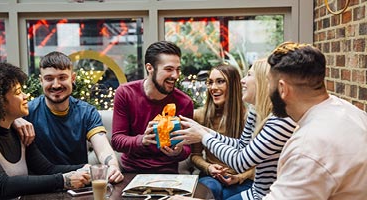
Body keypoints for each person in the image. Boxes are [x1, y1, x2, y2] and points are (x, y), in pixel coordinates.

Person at [171, 58, 297, 200]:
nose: (243, 80)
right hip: (255, 192)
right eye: (210, 82)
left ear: (263, 81)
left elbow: (241, 161)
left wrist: (203, 136)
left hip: (265, 195)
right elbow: (241, 145)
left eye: (249, 75)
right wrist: (203, 131)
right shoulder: (256, 113)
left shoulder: (279, 121)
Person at [0, 62, 90, 199]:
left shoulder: (19, 132)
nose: (25, 96)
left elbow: (47, 169)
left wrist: (88, 168)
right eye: (18, 92)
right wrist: (64, 180)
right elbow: (3, 186)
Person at [263, 42, 367, 199]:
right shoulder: (351, 112)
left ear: (283, 89)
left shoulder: (308, 148)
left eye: (268, 81)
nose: (268, 89)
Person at [14, 51, 123, 183]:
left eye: (62, 77)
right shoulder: (26, 112)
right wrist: (14, 119)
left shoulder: (86, 112)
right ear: (41, 81)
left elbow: (102, 148)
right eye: (49, 79)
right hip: (39, 188)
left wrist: (113, 167)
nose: (56, 85)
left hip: (80, 185)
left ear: (72, 78)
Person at [111, 41, 194, 173]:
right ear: (150, 68)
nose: (175, 75)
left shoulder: (184, 102)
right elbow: (117, 141)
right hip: (131, 172)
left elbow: (188, 148)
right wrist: (142, 140)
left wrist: (178, 152)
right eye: (169, 69)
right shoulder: (126, 93)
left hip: (168, 173)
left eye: (178, 69)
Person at [191, 64, 253, 200]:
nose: (213, 88)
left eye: (220, 81)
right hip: (210, 177)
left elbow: (258, 163)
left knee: (226, 195)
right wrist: (209, 167)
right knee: (212, 189)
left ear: (234, 86)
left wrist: (239, 177)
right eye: (210, 82)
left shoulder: (248, 117)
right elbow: (195, 155)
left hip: (241, 178)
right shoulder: (200, 115)